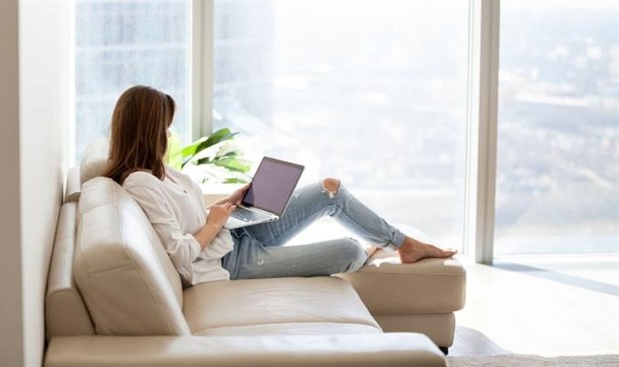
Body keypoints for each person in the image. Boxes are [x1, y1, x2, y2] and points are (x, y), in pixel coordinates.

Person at [103, 85, 457, 287]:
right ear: (148, 130)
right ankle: (384, 247)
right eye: (165, 126)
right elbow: (179, 255)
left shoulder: (162, 171)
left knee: (328, 188)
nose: (169, 133)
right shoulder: (139, 183)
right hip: (233, 262)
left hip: (234, 234)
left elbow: (188, 219)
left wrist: (229, 203)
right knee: (350, 250)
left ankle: (403, 244)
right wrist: (213, 224)